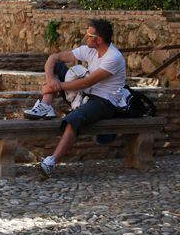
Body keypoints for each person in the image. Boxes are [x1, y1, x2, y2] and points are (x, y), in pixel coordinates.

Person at [28, 19, 130, 178]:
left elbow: (88, 81)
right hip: (86, 94)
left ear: (98, 40)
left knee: (72, 120)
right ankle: (45, 106)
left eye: (89, 34)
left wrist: (57, 86)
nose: (85, 36)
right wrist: (51, 80)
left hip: (105, 102)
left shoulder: (113, 57)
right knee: (57, 67)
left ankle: (50, 162)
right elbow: (53, 58)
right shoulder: (90, 50)